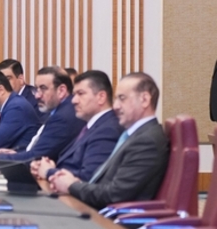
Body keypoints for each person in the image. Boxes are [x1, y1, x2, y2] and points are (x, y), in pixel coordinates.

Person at [49, 72, 169, 209]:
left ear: (145, 100)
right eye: (116, 99)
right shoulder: (135, 135)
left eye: (122, 98)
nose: (116, 106)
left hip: (114, 224)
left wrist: (71, 185)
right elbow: (106, 183)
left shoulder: (147, 141)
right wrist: (74, 181)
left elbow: (114, 195)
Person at [31, 70, 122, 182]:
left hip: (73, 198)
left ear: (101, 97)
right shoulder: (92, 126)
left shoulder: (108, 130)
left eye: (80, 94)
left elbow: (89, 177)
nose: (74, 101)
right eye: (74, 95)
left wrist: (49, 171)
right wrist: (48, 166)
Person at [0, 66, 84, 162]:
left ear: (61, 91)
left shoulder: (63, 117)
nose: (37, 95)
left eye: (43, 88)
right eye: (36, 89)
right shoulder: (61, 110)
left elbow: (37, 156)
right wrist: (18, 153)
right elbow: (40, 150)